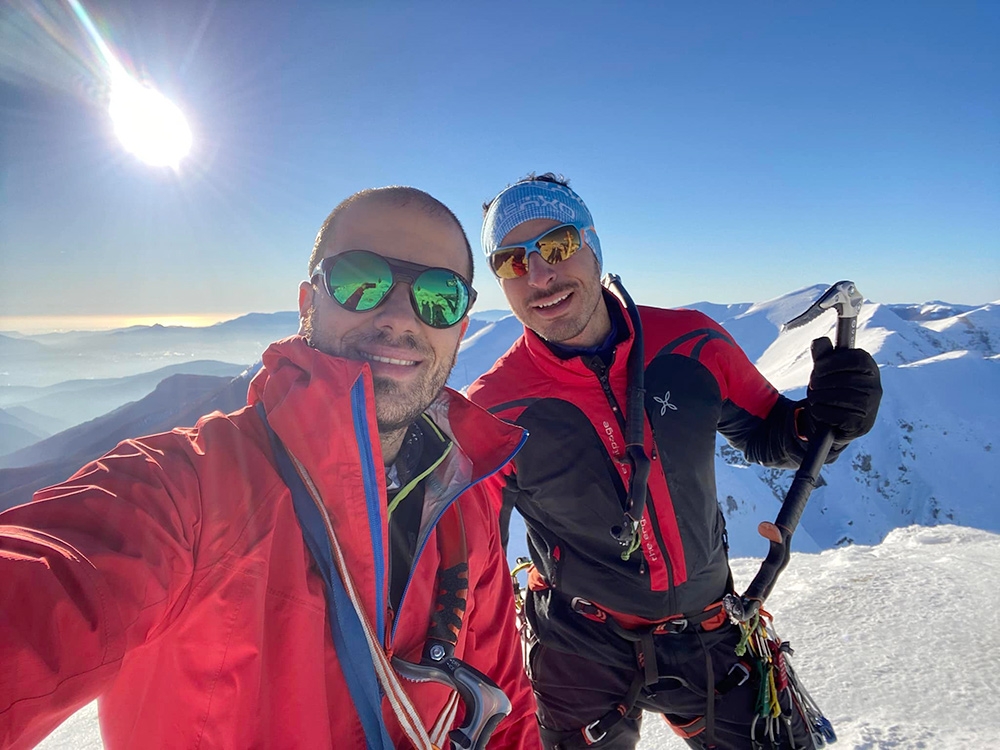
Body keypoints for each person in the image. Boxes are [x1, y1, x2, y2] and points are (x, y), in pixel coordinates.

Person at [0, 187, 541, 750]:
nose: (401, 316)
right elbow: (45, 583)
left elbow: (505, 705)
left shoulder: (462, 501)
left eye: (439, 295)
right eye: (362, 280)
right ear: (308, 303)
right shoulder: (191, 489)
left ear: (460, 324)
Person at [467, 174, 882, 750]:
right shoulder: (494, 409)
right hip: (576, 646)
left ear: (592, 245)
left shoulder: (692, 344)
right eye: (512, 261)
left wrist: (831, 417)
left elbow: (771, 436)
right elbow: (465, 551)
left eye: (557, 246)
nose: (539, 275)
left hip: (710, 631)